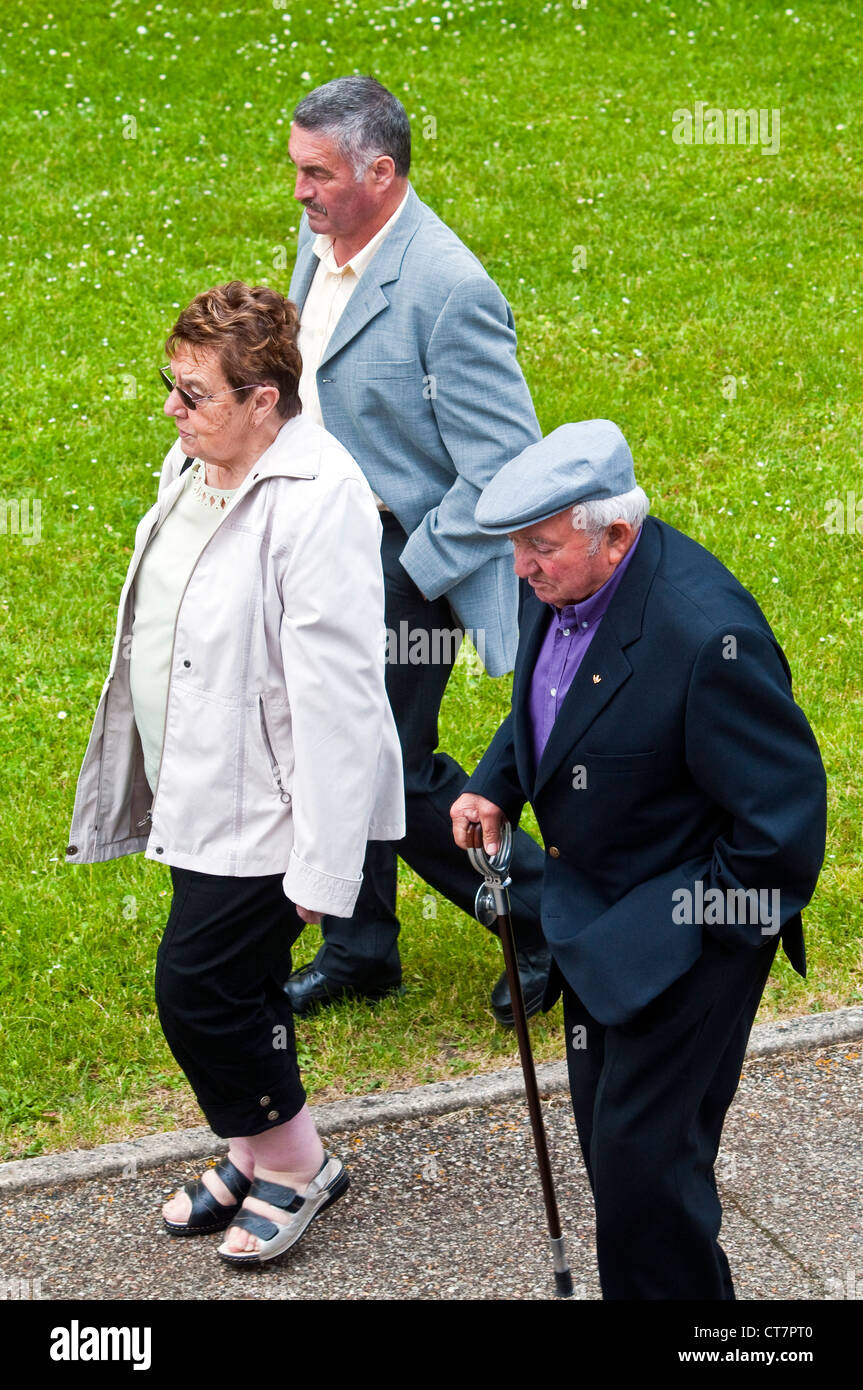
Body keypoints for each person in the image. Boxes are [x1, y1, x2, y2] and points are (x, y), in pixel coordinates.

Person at [66, 281, 404, 1265]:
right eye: (171, 388)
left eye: (194, 394)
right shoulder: (201, 456)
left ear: (266, 399)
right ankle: (250, 1146)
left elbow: (340, 703)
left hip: (274, 808)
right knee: (242, 989)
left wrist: (320, 872)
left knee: (199, 993)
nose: (170, 412)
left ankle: (296, 1164)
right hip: (199, 784)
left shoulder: (321, 502)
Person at [450, 419, 827, 1299]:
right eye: (515, 548)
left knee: (645, 1175)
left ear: (615, 534)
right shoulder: (555, 580)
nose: (520, 569)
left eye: (538, 549)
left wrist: (671, 938)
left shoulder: (703, 641)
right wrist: (496, 783)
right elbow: (549, 701)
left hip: (686, 942)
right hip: (592, 923)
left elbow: (780, 837)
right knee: (614, 1154)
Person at [281, 74, 551, 1026]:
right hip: (322, 544)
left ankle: (544, 918)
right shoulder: (323, 242)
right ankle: (359, 949)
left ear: (380, 172)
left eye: (317, 174)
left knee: (388, 763)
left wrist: (409, 570)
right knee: (332, 744)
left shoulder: (448, 290)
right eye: (298, 171)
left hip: (407, 561)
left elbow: (506, 470)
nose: (301, 192)